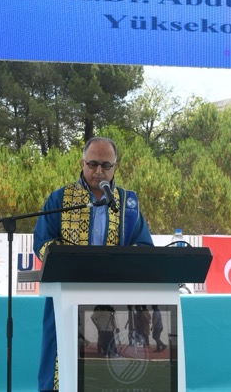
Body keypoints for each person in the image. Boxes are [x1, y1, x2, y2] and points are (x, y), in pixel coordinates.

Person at [32, 136, 154, 392]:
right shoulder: (60, 198)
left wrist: (124, 262)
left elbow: (143, 246)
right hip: (68, 294)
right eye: (93, 164)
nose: (99, 171)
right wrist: (66, 260)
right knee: (61, 354)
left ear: (115, 167)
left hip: (116, 298)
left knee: (108, 357)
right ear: (82, 163)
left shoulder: (128, 203)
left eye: (106, 165)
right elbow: (42, 241)